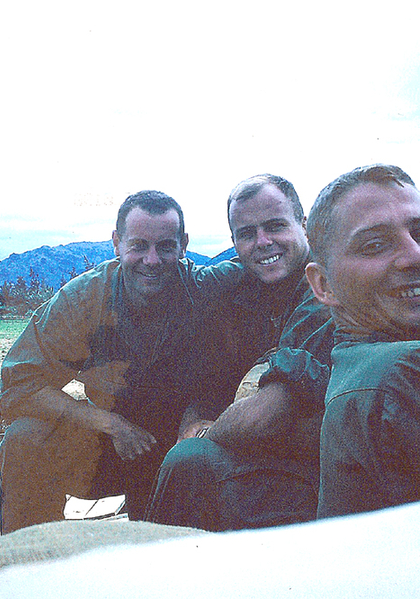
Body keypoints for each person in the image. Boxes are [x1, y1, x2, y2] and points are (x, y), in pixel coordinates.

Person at [0, 190, 243, 534]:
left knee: (192, 468)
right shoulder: (84, 298)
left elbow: (269, 266)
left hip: (175, 449)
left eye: (166, 247)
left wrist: (200, 415)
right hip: (103, 447)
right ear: (116, 243)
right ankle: (29, 568)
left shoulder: (208, 288)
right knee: (24, 439)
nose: (152, 260)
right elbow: (19, 384)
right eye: (139, 246)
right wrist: (109, 423)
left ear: (184, 244)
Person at [145, 174, 334, 531]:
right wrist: (192, 420)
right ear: (233, 241)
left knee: (190, 460)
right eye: (247, 234)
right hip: (270, 450)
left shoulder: (324, 287)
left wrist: (204, 434)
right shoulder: (238, 291)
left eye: (275, 226)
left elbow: (267, 416)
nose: (262, 242)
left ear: (303, 225)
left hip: (325, 467)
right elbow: (212, 385)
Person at [305, 164, 420, 518]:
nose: (415, 254)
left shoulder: (354, 367)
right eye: (375, 245)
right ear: (323, 285)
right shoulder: (403, 372)